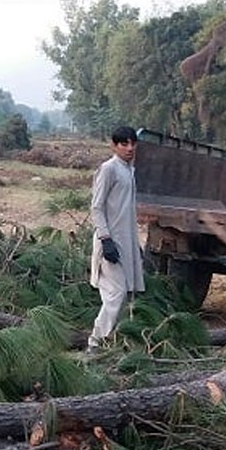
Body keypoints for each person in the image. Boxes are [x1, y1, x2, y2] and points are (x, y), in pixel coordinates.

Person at [88, 126, 145, 351]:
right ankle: (94, 344)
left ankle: (113, 345)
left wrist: (136, 244)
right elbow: (96, 207)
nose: (130, 148)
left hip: (127, 242)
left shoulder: (129, 171)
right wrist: (105, 239)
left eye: (133, 143)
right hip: (110, 243)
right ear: (114, 146)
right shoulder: (108, 169)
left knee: (123, 295)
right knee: (116, 294)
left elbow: (127, 212)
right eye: (124, 144)